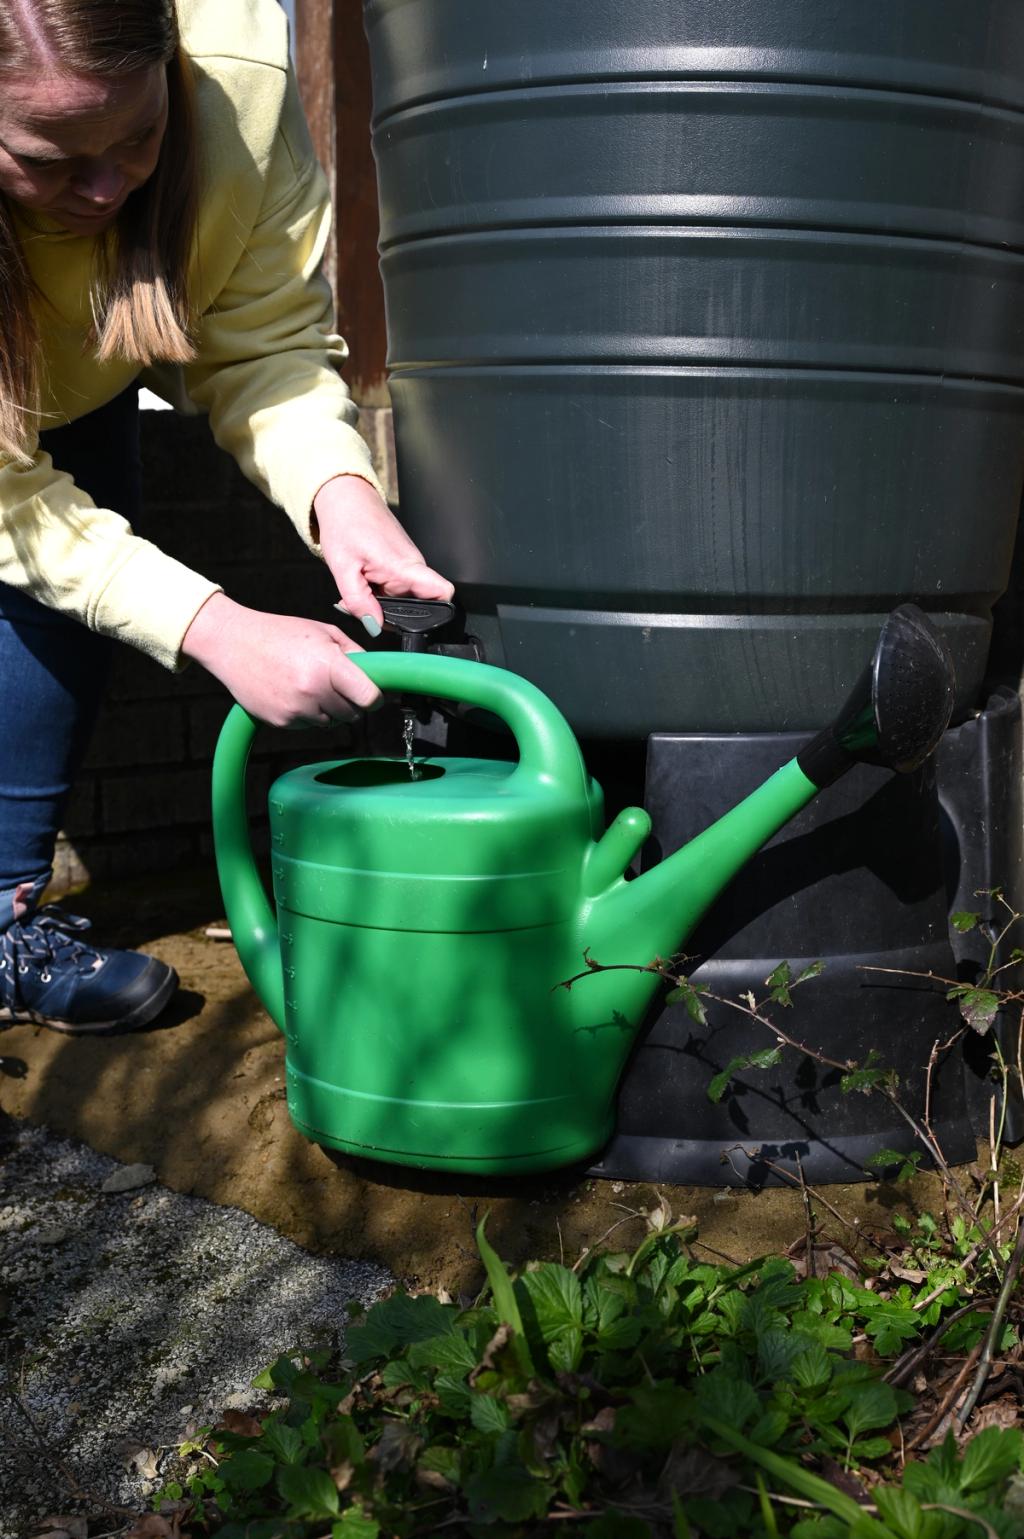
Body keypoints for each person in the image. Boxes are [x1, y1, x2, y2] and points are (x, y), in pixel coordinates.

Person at [0, 0, 453, 1033]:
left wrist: (341, 493)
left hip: (76, 370)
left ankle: (2, 913)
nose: (109, 188)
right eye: (52, 158)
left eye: (139, 136)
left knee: (71, 596)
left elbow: (263, 342)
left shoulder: (237, 72)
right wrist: (218, 628)